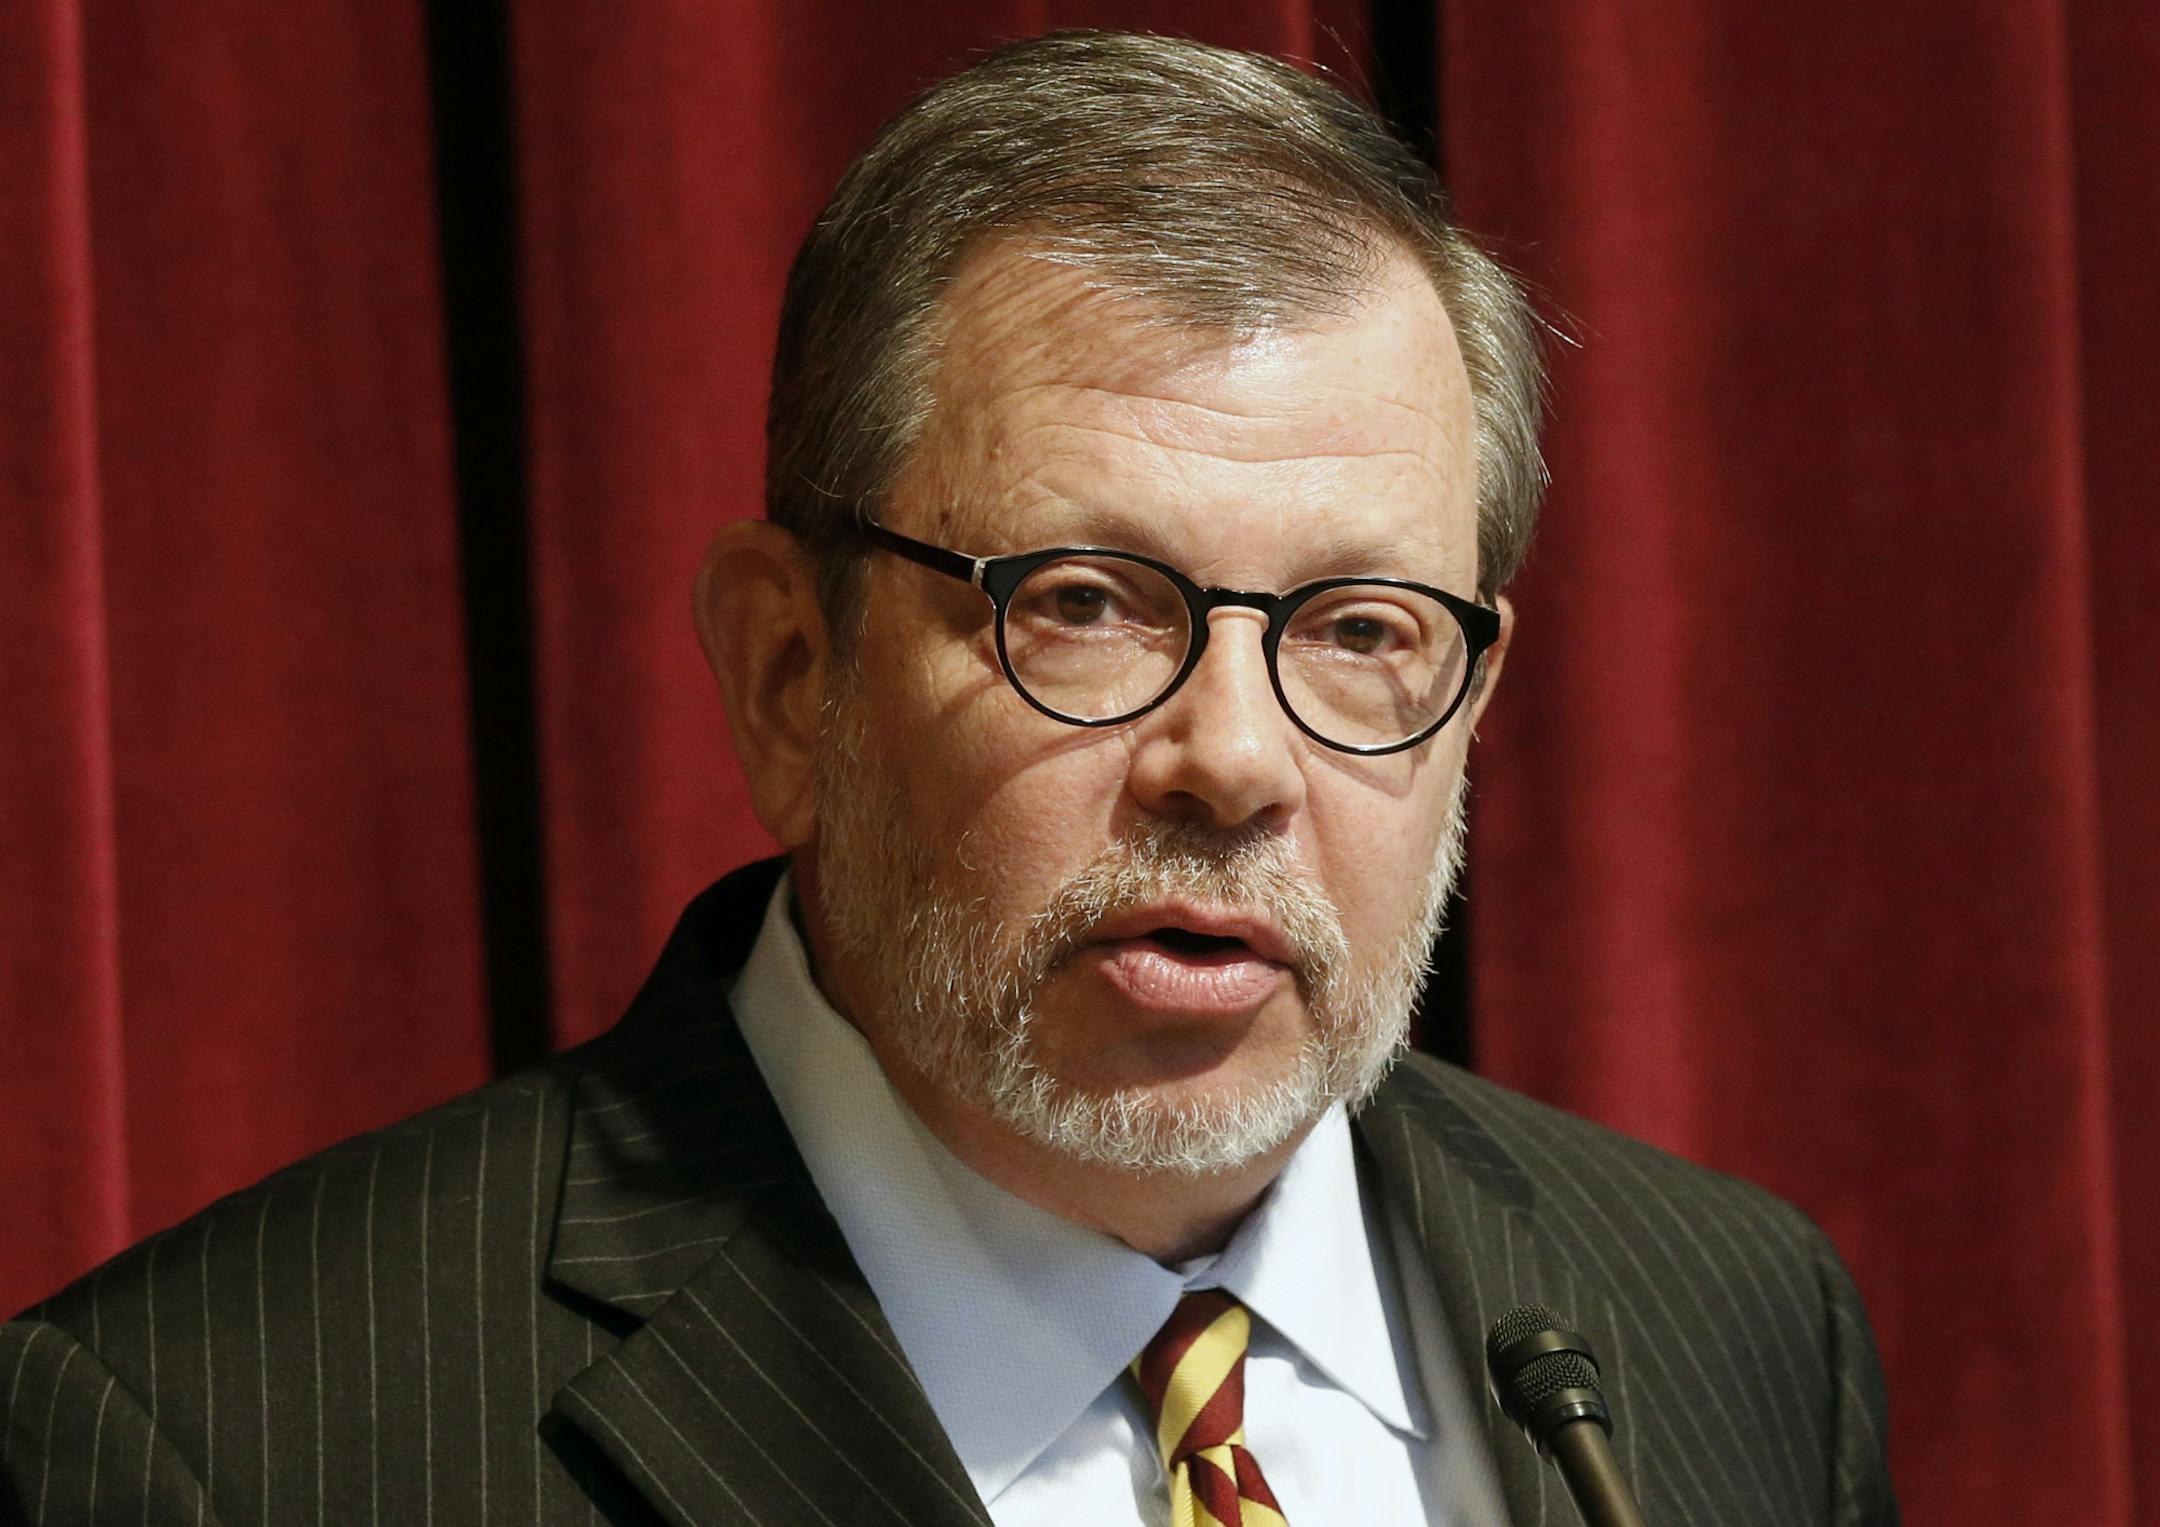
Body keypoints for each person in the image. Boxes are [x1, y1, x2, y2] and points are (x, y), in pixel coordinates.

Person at [0, 29, 1896, 1527]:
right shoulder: (214, 1444)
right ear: (789, 674)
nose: (1234, 760)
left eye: (1358, 628)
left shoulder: (1730, 1322)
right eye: (1081, 605)